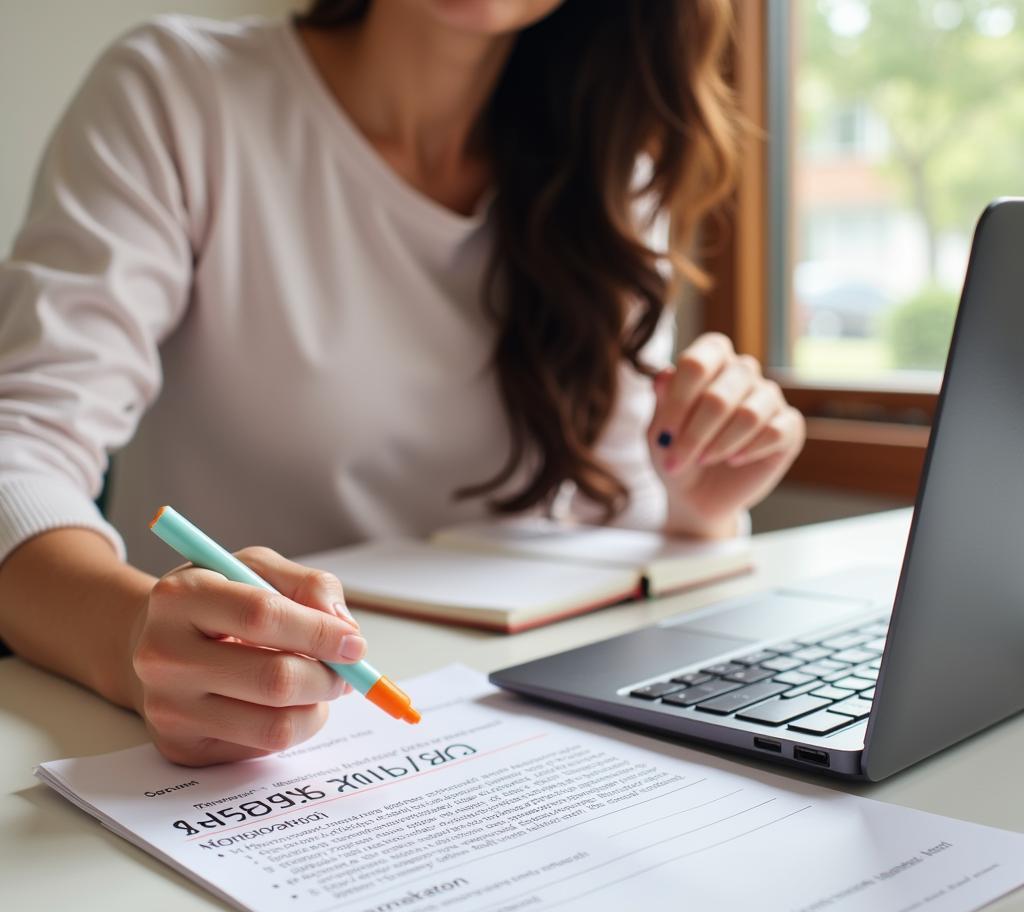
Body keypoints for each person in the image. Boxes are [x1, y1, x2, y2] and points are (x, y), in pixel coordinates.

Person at [0, 0, 805, 766]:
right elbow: (18, 456)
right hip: (242, 754)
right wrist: (129, 636)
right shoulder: (177, 96)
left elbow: (614, 529)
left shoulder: (609, 167)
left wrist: (700, 508)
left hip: (515, 744)